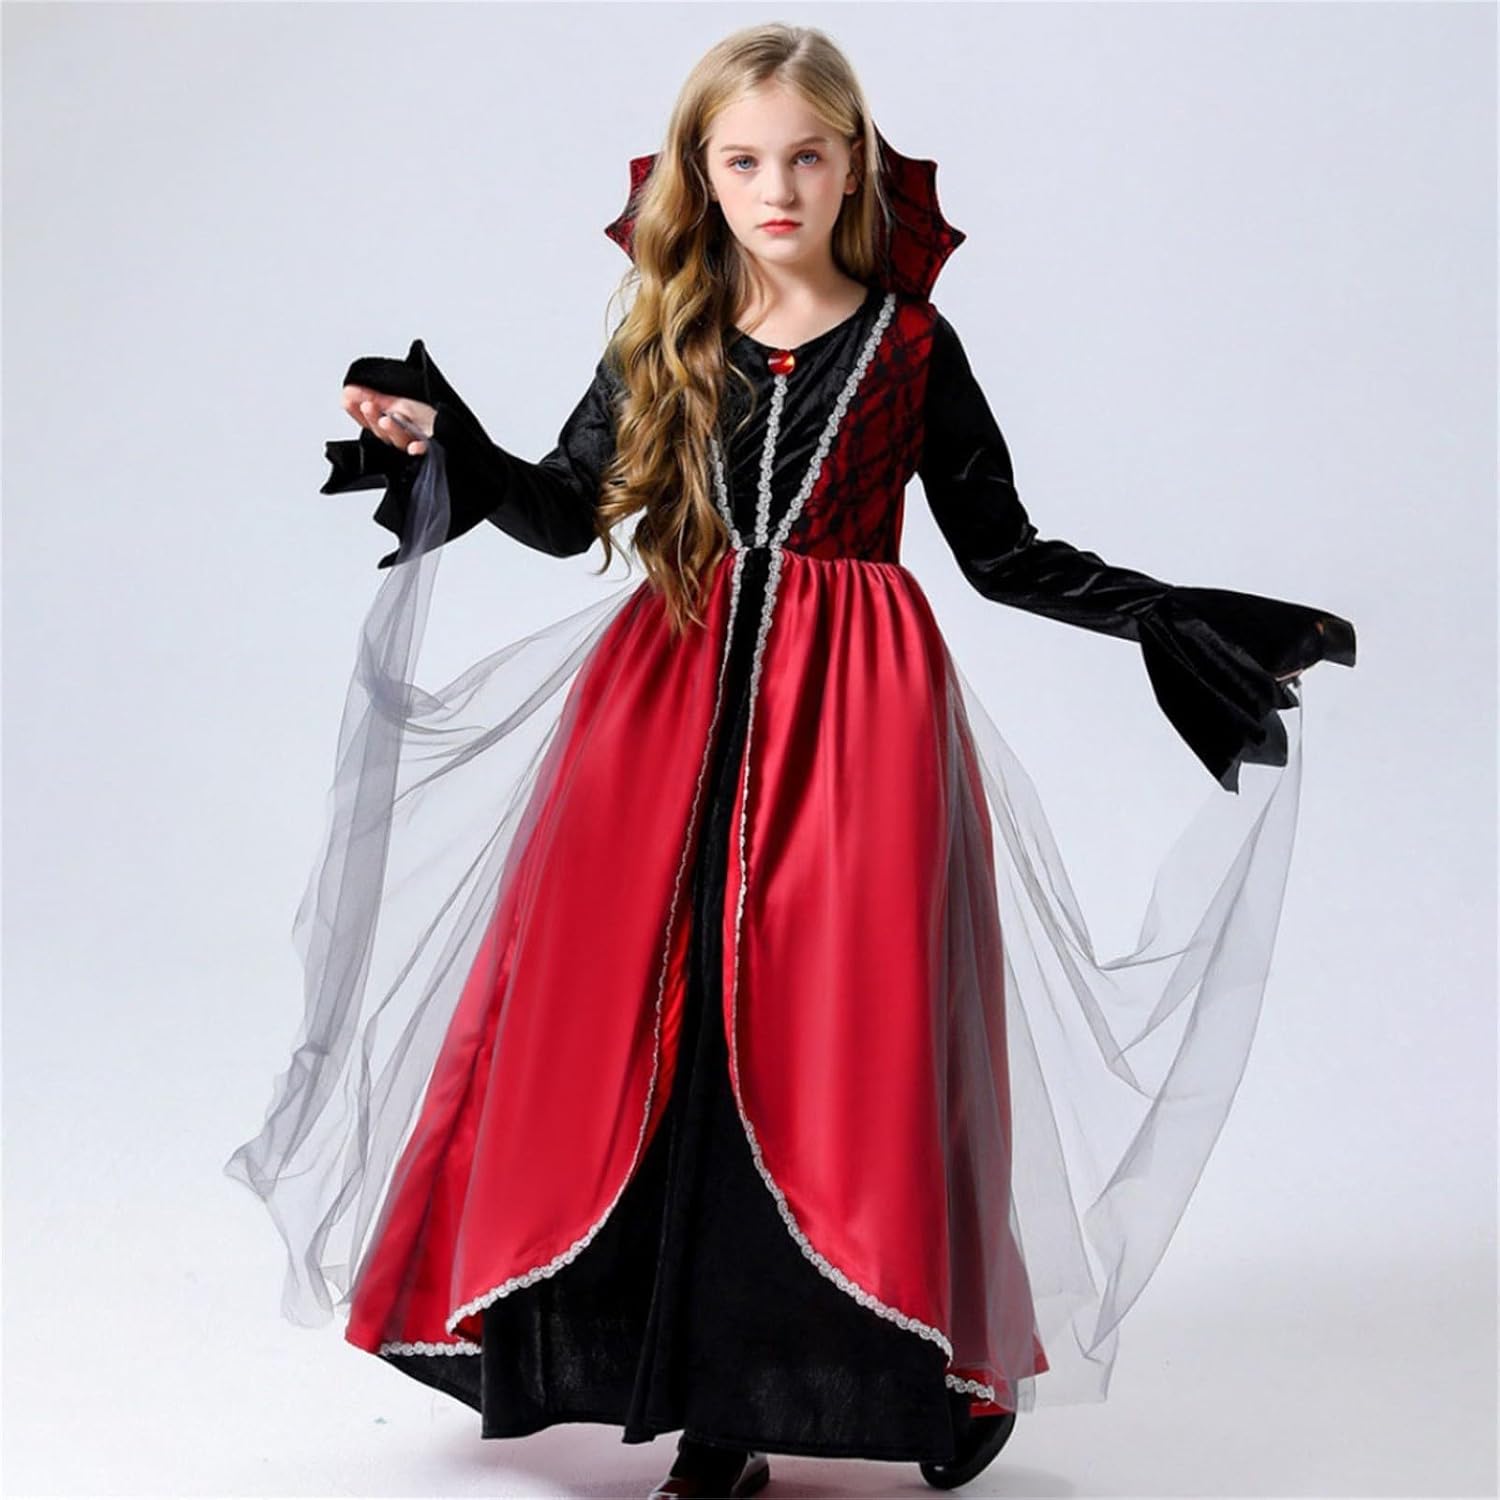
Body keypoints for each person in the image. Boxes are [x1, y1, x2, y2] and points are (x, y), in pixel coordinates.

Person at [224, 23, 1356, 1499]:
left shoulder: (912, 346)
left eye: (807, 158)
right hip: (663, 707)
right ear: (698, 173)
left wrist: (1172, 618)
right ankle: (702, 1403)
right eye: (744, 159)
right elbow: (567, 514)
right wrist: (447, 440)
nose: (776, 188)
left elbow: (1003, 551)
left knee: (839, 1037)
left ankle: (880, 1369)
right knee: (649, 1026)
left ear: (855, 168)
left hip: (856, 722)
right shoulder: (666, 332)